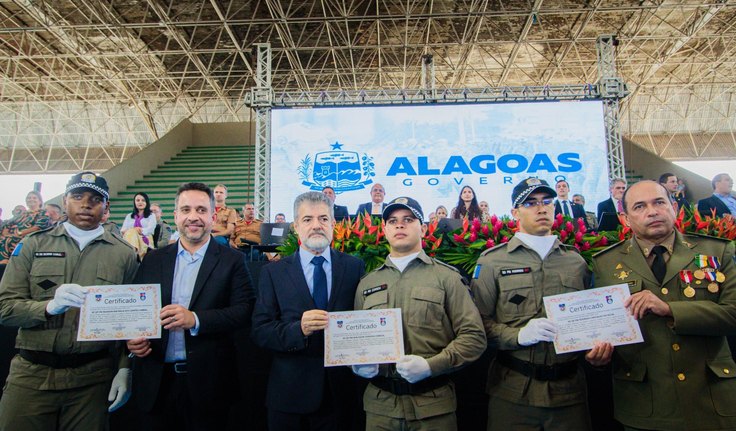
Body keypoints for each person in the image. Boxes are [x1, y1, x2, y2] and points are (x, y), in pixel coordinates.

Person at [591, 180, 736, 431]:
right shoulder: (605, 263)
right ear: (625, 219)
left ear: (675, 208)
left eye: (659, 202)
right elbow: (602, 327)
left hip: (710, 398)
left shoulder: (717, 251)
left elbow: (733, 313)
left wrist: (670, 309)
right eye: (640, 206)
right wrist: (599, 354)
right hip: (646, 404)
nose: (652, 211)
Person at [0, 171, 138, 430]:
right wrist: (49, 307)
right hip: (31, 374)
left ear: (106, 206)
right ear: (65, 201)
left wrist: (124, 368)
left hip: (92, 379)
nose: (86, 204)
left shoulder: (123, 254)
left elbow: (128, 320)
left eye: (95, 199)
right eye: (78, 196)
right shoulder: (32, 245)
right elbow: (5, 308)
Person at [472, 178, 606, 431]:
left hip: (569, 393)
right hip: (513, 392)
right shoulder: (492, 262)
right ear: (515, 212)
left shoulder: (575, 262)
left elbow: (593, 318)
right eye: (530, 203)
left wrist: (598, 347)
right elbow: (478, 325)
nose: (541, 208)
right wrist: (518, 335)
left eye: (547, 202)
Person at [126, 182, 255, 431]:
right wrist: (131, 340)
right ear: (175, 216)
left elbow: (245, 310)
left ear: (213, 216)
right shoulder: (153, 259)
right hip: (156, 383)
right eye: (185, 210)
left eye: (201, 210)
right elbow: (136, 311)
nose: (193, 217)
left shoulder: (233, 261)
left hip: (210, 384)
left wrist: (195, 320)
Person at [353, 196, 487, 430]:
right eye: (393, 221)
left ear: (423, 228)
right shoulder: (366, 283)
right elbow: (355, 340)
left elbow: (474, 338)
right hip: (380, 410)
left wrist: (431, 366)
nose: (400, 225)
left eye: (408, 219)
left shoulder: (447, 278)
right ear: (384, 230)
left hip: (433, 408)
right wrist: (358, 363)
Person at [252, 191, 365, 430]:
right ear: (295, 226)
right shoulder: (273, 273)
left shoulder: (354, 267)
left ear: (334, 224)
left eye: (324, 219)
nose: (316, 225)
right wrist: (298, 329)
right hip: (290, 397)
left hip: (342, 396)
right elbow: (260, 331)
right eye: (308, 219)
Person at [0, 191, 52, 263]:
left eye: (34, 198)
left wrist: (20, 233)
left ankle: (4, 263)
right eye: (29, 198)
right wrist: (5, 233)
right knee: (3, 238)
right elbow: (8, 224)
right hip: (13, 235)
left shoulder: (43, 213)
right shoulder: (21, 214)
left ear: (40, 201)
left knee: (7, 240)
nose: (31, 199)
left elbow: (38, 227)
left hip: (30, 237)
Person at [121, 192, 156, 258]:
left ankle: (133, 255)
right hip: (130, 238)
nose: (140, 202)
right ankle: (133, 253)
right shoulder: (129, 216)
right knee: (132, 232)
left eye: (143, 200)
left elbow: (150, 229)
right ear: (134, 202)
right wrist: (134, 230)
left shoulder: (151, 215)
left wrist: (139, 230)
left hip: (145, 239)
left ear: (147, 202)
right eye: (138, 200)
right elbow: (123, 230)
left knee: (132, 232)